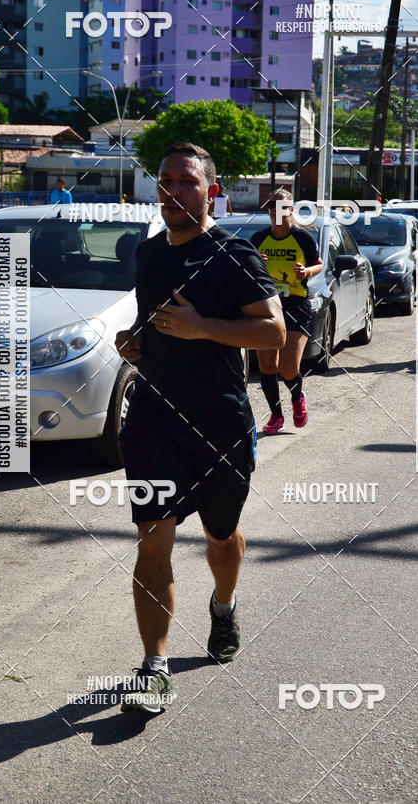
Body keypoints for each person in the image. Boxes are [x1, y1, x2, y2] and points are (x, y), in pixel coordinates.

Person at [114, 142, 284, 713]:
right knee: (152, 540)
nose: (172, 191)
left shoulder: (235, 254)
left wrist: (201, 327)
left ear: (211, 190)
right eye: (164, 180)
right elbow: (152, 323)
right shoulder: (148, 255)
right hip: (153, 421)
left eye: (186, 181)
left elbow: (273, 334)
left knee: (220, 537)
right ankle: (155, 667)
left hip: (219, 422)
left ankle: (224, 604)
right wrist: (134, 344)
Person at [250, 190, 323, 434]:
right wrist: (255, 263)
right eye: (271, 206)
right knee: (268, 365)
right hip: (267, 305)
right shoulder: (259, 238)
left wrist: (306, 272)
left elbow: (319, 264)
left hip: (296, 305)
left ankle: (297, 396)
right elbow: (243, 269)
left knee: (288, 367)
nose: (274, 210)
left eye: (280, 206)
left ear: (291, 211)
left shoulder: (303, 238)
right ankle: (276, 415)